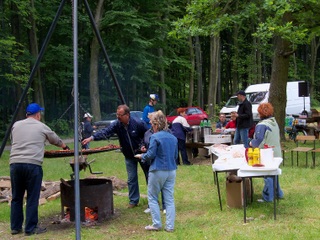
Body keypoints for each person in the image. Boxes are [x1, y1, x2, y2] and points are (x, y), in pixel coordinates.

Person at [9, 103, 70, 236]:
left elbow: (13, 140)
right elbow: (55, 140)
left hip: (15, 164)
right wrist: (65, 147)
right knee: (32, 197)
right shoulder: (41, 126)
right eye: (40, 113)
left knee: (16, 197)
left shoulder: (16, 125)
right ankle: (30, 228)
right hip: (32, 165)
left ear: (27, 114)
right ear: (37, 114)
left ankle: (15, 227)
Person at [82, 105, 149, 208]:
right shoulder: (117, 125)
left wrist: (145, 145)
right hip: (129, 155)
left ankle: (152, 201)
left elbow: (148, 134)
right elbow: (106, 131)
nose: (118, 117)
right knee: (131, 179)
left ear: (127, 115)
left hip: (142, 154)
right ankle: (133, 201)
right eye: (117, 114)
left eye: (120, 115)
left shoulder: (138, 123)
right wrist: (92, 138)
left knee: (149, 176)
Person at [136, 110, 178, 232]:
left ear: (155, 125)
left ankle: (156, 224)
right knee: (169, 199)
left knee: (152, 197)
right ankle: (170, 227)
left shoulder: (154, 137)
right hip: (171, 170)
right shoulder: (173, 137)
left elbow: (150, 154)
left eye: (151, 124)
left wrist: (141, 156)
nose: (151, 127)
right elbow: (175, 156)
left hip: (157, 169)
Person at [249, 103, 284, 202]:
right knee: (274, 173)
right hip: (276, 152)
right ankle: (278, 193)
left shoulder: (261, 125)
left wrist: (251, 143)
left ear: (260, 113)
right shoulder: (274, 122)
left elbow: (259, 140)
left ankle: (268, 197)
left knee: (268, 175)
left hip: (267, 153)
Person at [140, 112, 166, 214]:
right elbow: (144, 142)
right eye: (150, 120)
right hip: (149, 163)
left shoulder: (165, 132)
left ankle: (165, 206)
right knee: (150, 184)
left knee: (163, 185)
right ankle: (152, 206)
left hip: (159, 162)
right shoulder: (147, 133)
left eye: (151, 120)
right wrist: (142, 147)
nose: (150, 122)